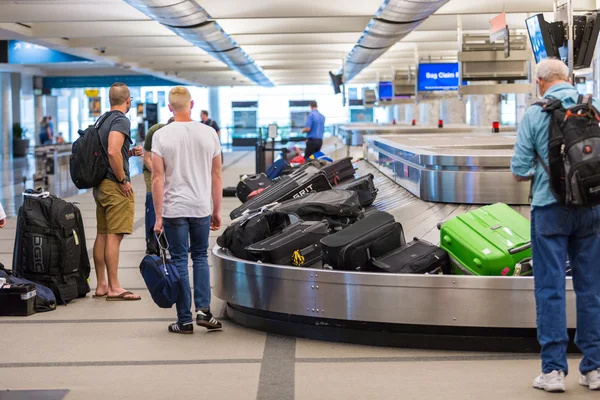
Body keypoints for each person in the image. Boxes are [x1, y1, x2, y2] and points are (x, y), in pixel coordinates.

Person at [511, 58, 600, 393]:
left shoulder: (536, 114)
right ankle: (594, 369)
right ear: (567, 79)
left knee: (550, 289)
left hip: (550, 209)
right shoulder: (593, 107)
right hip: (592, 208)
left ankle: (553, 372)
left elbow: (519, 168)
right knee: (591, 288)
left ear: (540, 83)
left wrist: (552, 172)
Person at [152, 86, 223, 334]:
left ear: (169, 108)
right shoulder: (209, 132)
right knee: (201, 257)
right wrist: (216, 209)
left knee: (180, 260)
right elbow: (216, 174)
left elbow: (157, 178)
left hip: (174, 208)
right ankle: (204, 311)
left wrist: (158, 215)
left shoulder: (161, 135)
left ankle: (184, 321)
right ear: (191, 105)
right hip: (201, 206)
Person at [92, 82, 143, 301]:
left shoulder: (102, 119)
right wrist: (123, 180)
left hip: (100, 184)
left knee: (102, 234)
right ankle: (114, 287)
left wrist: (128, 153)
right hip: (114, 185)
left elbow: (111, 152)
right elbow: (112, 151)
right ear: (128, 100)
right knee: (114, 235)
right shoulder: (121, 119)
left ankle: (102, 284)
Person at [143, 117, 173, 255]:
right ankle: (151, 241)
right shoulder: (154, 132)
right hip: (152, 170)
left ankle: (171, 238)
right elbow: (147, 158)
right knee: (152, 199)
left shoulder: (184, 134)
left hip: (171, 171)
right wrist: (160, 174)